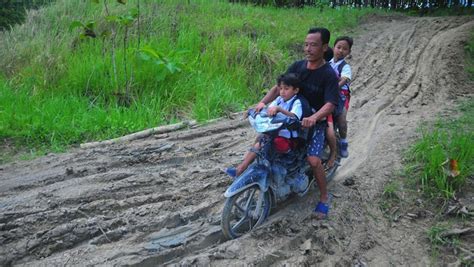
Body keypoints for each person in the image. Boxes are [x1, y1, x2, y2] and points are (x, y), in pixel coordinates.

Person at [255, 27, 339, 219]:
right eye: (306, 44)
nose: (308, 49)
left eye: (314, 45)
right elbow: (278, 88)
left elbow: (331, 103)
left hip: (314, 123)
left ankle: (324, 197)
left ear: (325, 47)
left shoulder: (328, 74)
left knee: (313, 160)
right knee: (263, 141)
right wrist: (262, 103)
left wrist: (315, 117)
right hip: (290, 118)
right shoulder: (297, 66)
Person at [226, 73, 306, 178]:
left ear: (295, 90)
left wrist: (279, 110)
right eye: (281, 88)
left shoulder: (297, 102)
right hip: (275, 133)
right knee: (260, 140)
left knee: (263, 143)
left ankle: (241, 169)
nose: (282, 92)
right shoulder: (279, 100)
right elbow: (268, 110)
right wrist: (256, 110)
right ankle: (241, 168)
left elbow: (294, 117)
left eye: (286, 89)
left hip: (288, 138)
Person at [326, 36, 353, 167]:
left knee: (341, 119)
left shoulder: (345, 67)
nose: (341, 50)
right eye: (339, 47)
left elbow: (343, 80)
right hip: (326, 94)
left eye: (345, 49)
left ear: (349, 52)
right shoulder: (327, 63)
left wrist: (334, 87)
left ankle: (343, 141)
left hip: (341, 95)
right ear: (334, 47)